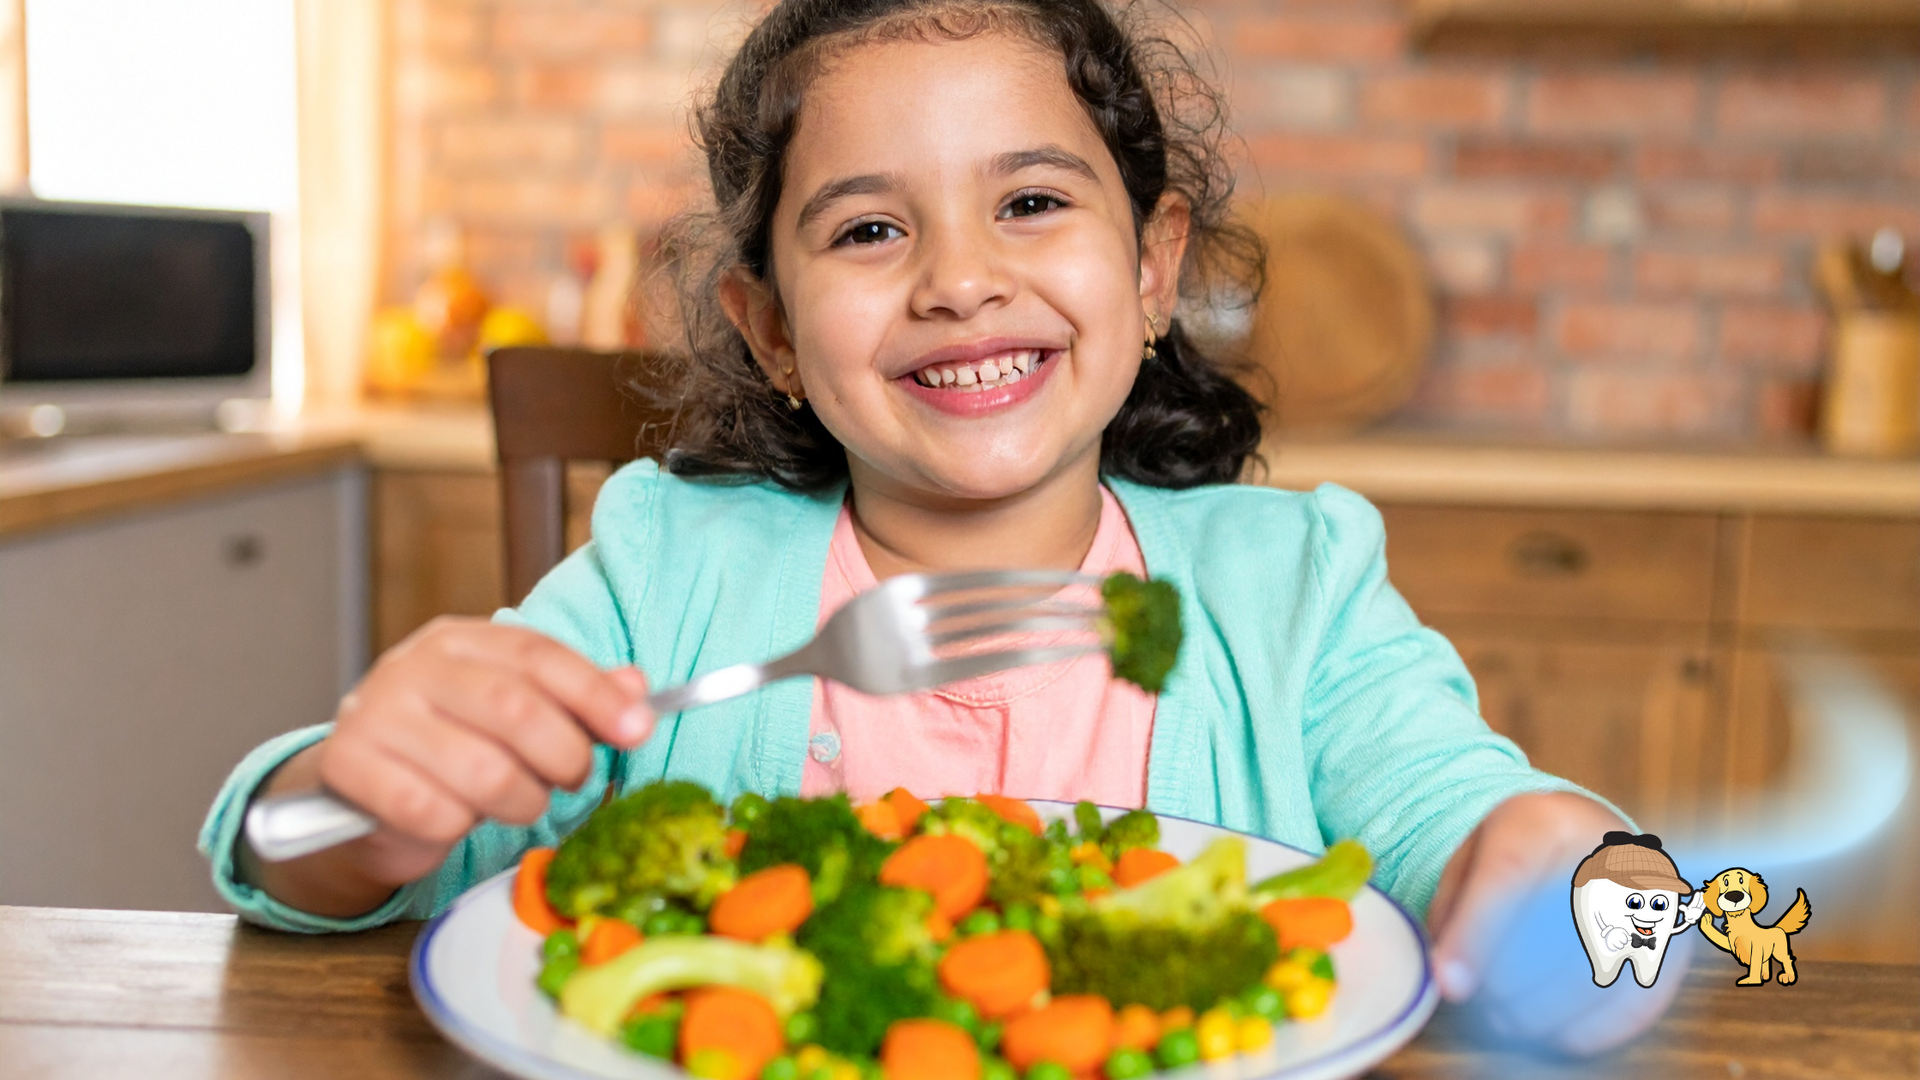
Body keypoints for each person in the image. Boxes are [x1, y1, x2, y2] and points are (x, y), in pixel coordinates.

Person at [202, 0, 1630, 1042]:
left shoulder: (1296, 590)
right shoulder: (665, 571)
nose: (959, 279)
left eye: (1028, 200)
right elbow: (309, 856)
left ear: (1150, 269)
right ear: (767, 327)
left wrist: (1569, 861)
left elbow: (1476, 819)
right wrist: (354, 798)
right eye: (869, 230)